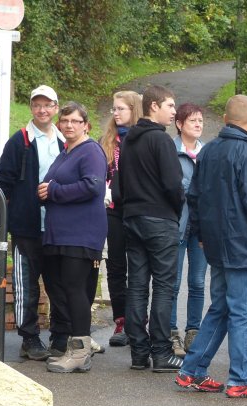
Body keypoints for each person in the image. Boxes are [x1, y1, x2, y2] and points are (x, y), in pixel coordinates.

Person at [174, 94, 247, 398]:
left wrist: (200, 232)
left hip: (216, 243)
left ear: (224, 120)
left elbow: (194, 196)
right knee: (243, 312)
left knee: (222, 307)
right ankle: (241, 378)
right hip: (244, 245)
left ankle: (192, 370)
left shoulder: (208, 150)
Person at [0, 85, 66, 360]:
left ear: (55, 108)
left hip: (59, 227)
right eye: (37, 105)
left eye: (47, 105)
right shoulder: (19, 140)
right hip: (26, 227)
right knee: (26, 285)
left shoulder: (65, 141)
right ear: (31, 108)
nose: (42, 110)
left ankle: (60, 336)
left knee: (59, 283)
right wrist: (12, 217)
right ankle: (30, 338)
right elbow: (2, 182)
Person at [119, 85, 185, 372]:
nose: (174, 112)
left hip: (133, 218)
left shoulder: (128, 141)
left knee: (136, 285)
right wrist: (176, 208)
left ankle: (138, 352)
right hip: (160, 219)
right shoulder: (161, 140)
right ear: (154, 106)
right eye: (170, 105)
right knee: (163, 286)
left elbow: (120, 185)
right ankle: (161, 352)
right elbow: (173, 184)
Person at [37, 102, 107, 373]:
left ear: (86, 125)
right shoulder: (66, 152)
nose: (68, 125)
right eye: (64, 121)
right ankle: (70, 345)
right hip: (59, 234)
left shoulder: (91, 151)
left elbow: (93, 186)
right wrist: (44, 191)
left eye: (75, 121)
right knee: (60, 288)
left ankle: (80, 352)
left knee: (75, 289)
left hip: (81, 234)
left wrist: (53, 191)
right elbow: (50, 184)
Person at [99, 90, 143, 347]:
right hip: (112, 209)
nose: (115, 113)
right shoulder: (106, 140)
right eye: (114, 109)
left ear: (134, 110)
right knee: (115, 266)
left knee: (138, 267)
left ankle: (138, 320)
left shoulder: (141, 139)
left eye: (121, 109)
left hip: (136, 209)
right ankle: (121, 320)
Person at [169, 102, 208, 357]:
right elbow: (169, 185)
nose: (198, 125)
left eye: (200, 121)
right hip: (177, 222)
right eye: (192, 120)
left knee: (197, 281)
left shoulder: (208, 152)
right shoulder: (170, 151)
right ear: (179, 124)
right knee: (172, 281)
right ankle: (171, 332)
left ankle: (194, 331)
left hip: (201, 226)